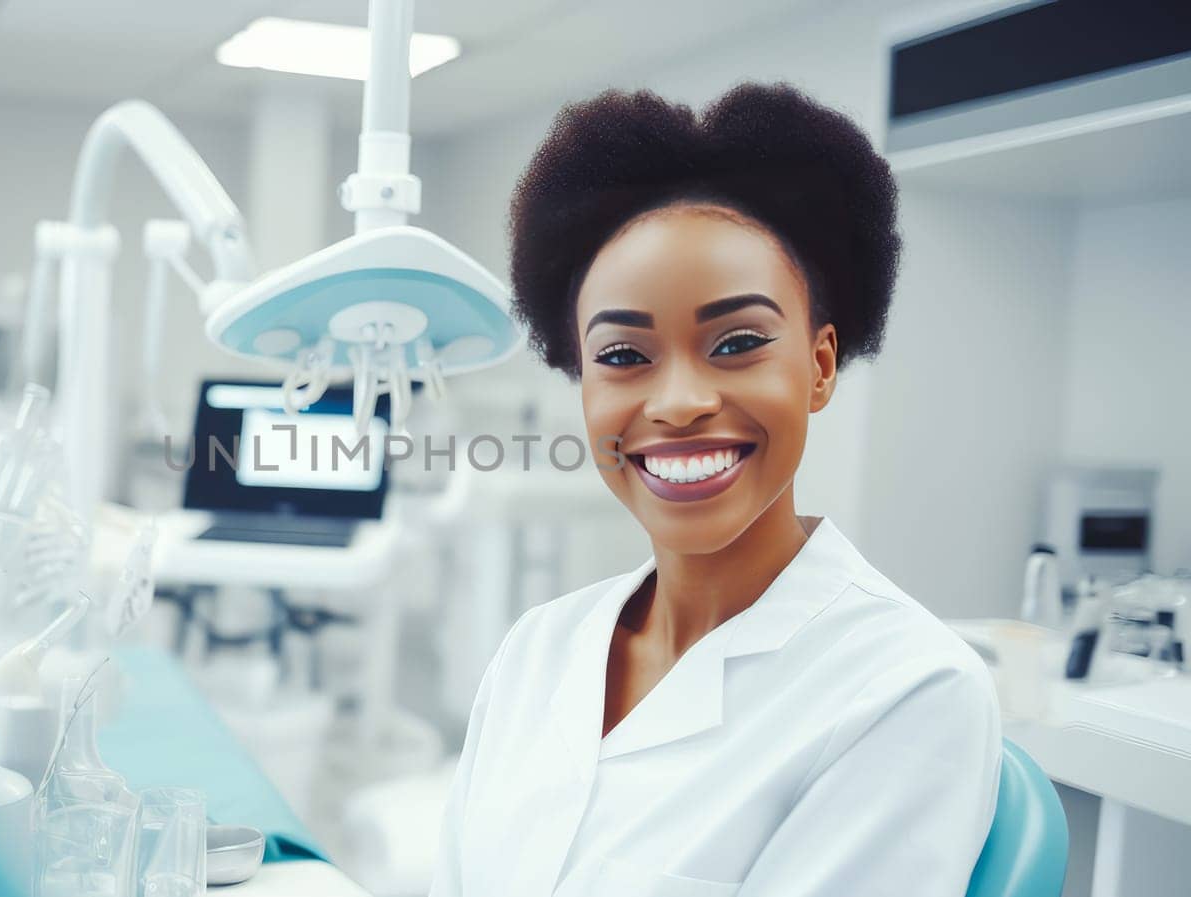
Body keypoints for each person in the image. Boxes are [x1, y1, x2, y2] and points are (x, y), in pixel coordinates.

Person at [429, 83, 1000, 897]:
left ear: (821, 364)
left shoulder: (907, 690)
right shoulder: (537, 650)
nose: (679, 401)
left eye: (736, 342)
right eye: (624, 356)